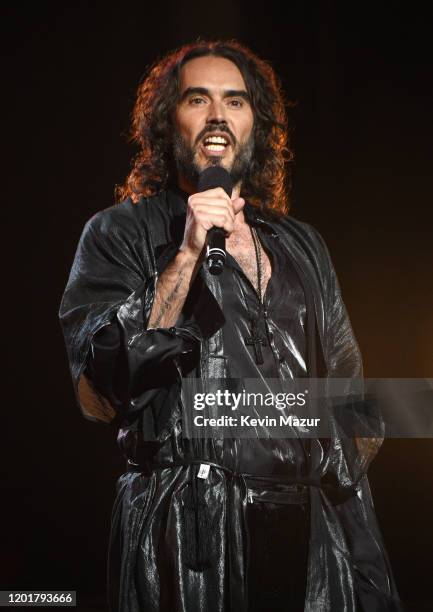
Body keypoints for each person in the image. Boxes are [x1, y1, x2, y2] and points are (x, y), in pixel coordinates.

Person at [59, 40, 403, 612]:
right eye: (199, 99)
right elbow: (104, 387)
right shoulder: (119, 232)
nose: (219, 114)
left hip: (316, 541)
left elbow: (356, 393)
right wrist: (189, 252)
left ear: (255, 124)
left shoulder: (303, 244)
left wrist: (316, 470)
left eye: (236, 102)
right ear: (169, 121)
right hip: (190, 535)